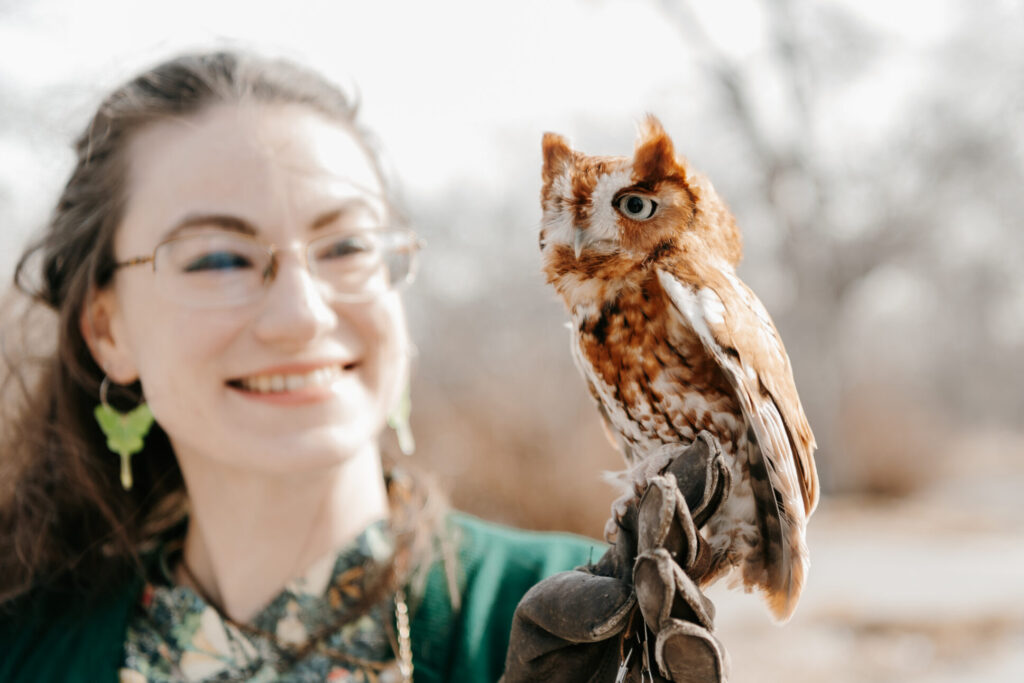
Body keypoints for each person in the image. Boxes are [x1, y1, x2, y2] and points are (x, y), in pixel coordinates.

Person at [0, 51, 728, 682]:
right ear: (107, 328)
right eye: (218, 258)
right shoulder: (24, 647)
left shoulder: (590, 617)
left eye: (346, 246)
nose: (303, 314)